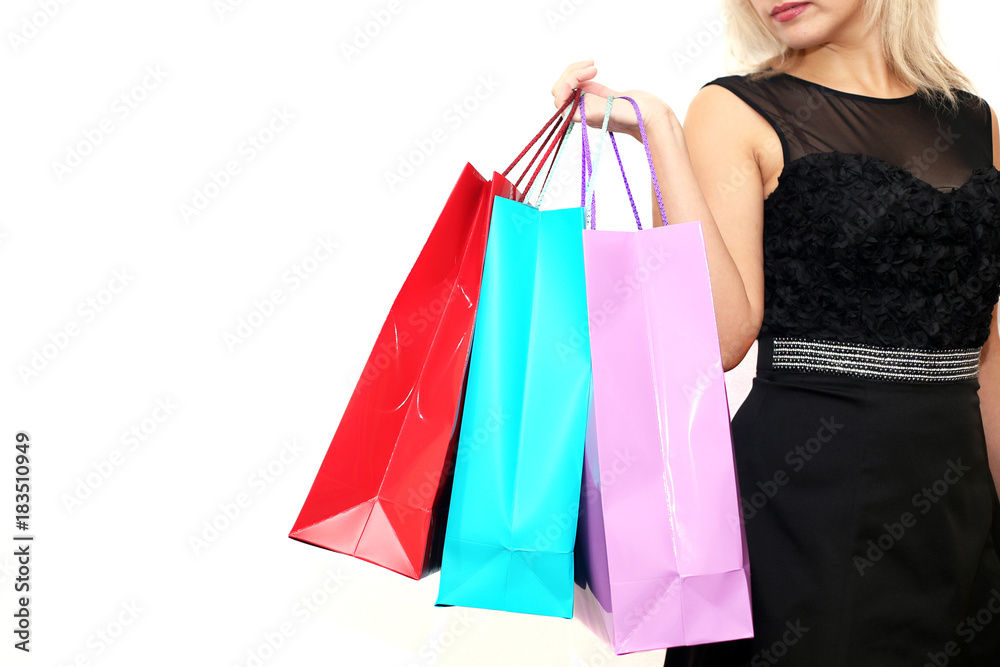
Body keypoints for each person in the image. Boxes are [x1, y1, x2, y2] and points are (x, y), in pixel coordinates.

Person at [551, 1, 1000, 664]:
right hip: (804, 499)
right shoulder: (737, 109)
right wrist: (661, 135)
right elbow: (720, 339)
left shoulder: (974, 121)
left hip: (958, 509)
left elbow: (987, 345)